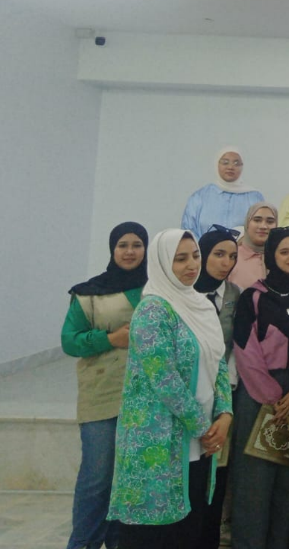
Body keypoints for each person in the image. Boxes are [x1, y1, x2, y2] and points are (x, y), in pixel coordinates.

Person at [108, 230, 233, 549]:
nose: (192, 265)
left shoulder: (201, 306)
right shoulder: (153, 311)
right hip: (160, 442)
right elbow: (164, 380)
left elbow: (218, 361)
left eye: (195, 256)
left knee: (191, 529)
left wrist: (225, 414)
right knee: (156, 534)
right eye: (180, 259)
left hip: (201, 442)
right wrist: (204, 428)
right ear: (162, 263)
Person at [61, 220, 149, 549]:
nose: (130, 252)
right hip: (102, 394)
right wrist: (110, 339)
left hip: (144, 397)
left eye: (137, 245)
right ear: (112, 249)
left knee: (129, 479)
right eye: (123, 245)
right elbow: (70, 341)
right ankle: (83, 543)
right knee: (97, 477)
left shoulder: (157, 289)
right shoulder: (88, 294)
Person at [230, 225, 289, 549]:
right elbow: (244, 350)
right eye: (284, 251)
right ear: (271, 256)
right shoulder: (253, 297)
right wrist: (274, 397)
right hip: (259, 394)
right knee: (254, 480)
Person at [194, 225, 242, 549]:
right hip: (187, 395)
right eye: (219, 254)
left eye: (232, 256)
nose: (226, 263)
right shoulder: (185, 293)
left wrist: (226, 393)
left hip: (222, 396)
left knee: (217, 474)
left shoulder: (235, 295)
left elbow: (236, 347)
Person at [182, 147, 264, 238]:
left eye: (236, 163)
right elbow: (188, 232)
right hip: (203, 247)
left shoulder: (254, 198)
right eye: (225, 162)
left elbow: (261, 229)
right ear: (216, 164)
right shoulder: (200, 196)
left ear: (242, 166)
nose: (230, 167)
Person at [230, 203, 289, 289]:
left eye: (270, 221)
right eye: (257, 220)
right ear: (247, 223)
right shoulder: (232, 257)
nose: (263, 226)